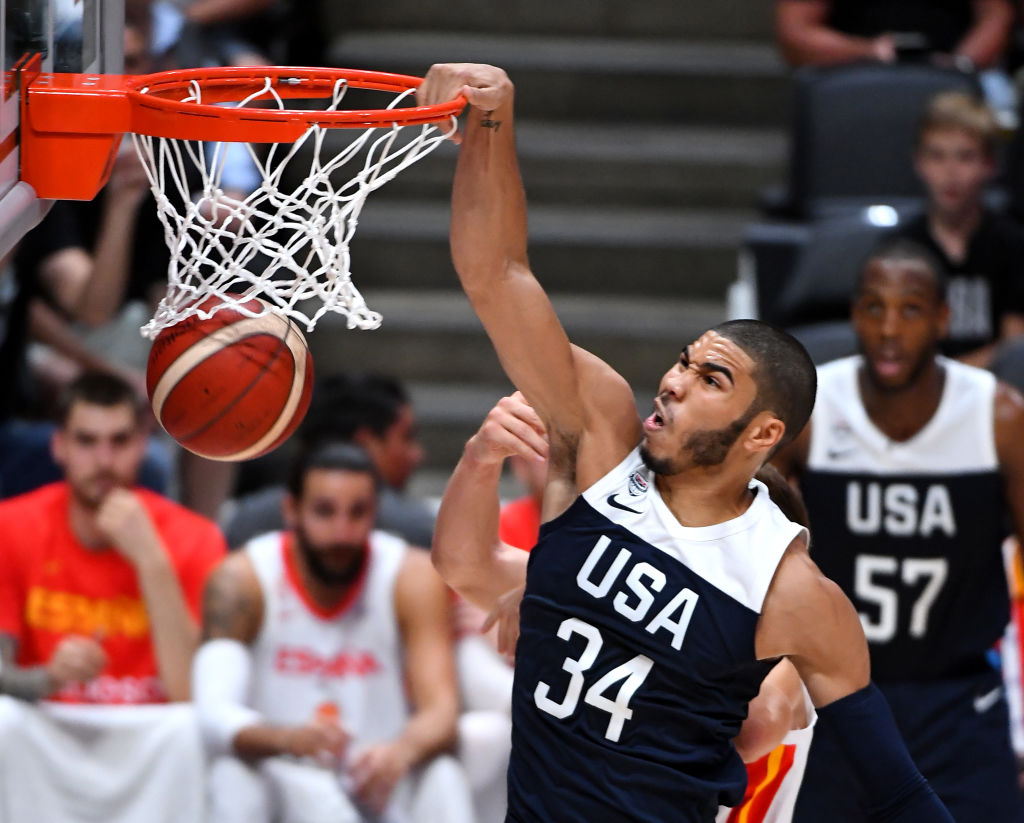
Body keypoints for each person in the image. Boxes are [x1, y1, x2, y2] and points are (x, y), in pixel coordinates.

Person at [420, 62, 952, 821]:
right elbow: (495, 274)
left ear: (764, 432)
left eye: (711, 378)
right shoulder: (598, 438)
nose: (672, 381)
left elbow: (897, 787)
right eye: (682, 361)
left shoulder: (789, 588)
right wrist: (492, 120)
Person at [456, 393, 817, 823]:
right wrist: (480, 458)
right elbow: (468, 564)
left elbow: (756, 726)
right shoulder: (632, 589)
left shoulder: (790, 650)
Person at [771, 235, 1024, 822]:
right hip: (835, 693)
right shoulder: (814, 407)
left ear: (942, 318)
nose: (889, 329)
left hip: (958, 699)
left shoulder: (999, 418)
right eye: (872, 308)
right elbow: (750, 541)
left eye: (910, 309)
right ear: (853, 314)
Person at [192, 442, 474, 823]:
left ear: (375, 512)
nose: (342, 532)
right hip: (285, 776)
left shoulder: (411, 575)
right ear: (291, 510)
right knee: (232, 776)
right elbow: (212, 713)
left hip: (379, 776)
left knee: (444, 775)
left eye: (357, 513)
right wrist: (291, 740)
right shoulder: (243, 579)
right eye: (325, 511)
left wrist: (400, 752)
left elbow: (442, 711)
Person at [0, 371, 227, 822]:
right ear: (58, 446)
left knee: (190, 731)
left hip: (150, 734)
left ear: (144, 445)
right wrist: (46, 678)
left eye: (120, 441)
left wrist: (152, 563)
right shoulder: (11, 526)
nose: (104, 460)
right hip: (51, 727)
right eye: (86, 441)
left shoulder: (197, 538)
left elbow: (193, 696)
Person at [224, 371, 433, 548]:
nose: (417, 454)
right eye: (407, 437)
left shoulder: (243, 521)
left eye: (357, 513)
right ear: (364, 444)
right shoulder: (418, 530)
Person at [891, 90, 1024, 366]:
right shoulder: (898, 251)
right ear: (919, 163)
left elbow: (1015, 349)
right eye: (937, 156)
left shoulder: (1013, 244)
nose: (950, 172)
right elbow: (897, 347)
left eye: (964, 157)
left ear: (989, 165)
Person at [774, 0, 1014, 70]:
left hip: (953, 71)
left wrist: (961, 66)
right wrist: (866, 51)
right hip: (852, 72)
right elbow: (796, 32)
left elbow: (996, 15)